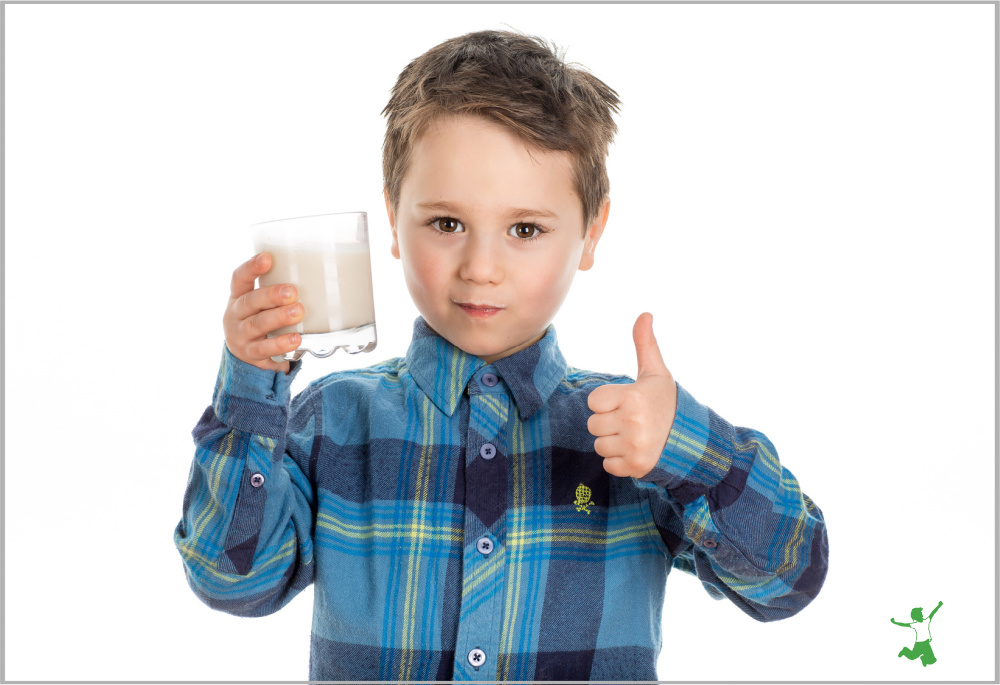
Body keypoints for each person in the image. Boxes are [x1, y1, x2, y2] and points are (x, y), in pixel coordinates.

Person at [174, 29, 829, 681]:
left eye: (524, 229)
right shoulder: (331, 420)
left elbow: (789, 575)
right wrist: (251, 389)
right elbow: (232, 576)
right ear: (394, 217)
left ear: (591, 231)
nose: (481, 268)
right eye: (447, 223)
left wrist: (690, 450)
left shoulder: (633, 434)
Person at [892, 601, 943, 667]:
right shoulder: (914, 625)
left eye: (921, 613)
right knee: (912, 657)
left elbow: (933, 612)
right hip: (919, 645)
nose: (922, 615)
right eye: (920, 614)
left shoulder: (926, 621)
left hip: (926, 644)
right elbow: (903, 624)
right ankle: (904, 650)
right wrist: (894, 622)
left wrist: (939, 605)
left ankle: (923, 659)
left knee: (932, 660)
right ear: (916, 616)